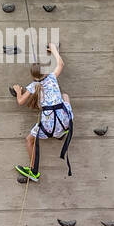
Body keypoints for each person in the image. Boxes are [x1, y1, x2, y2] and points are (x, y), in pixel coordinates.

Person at [12, 42, 74, 181]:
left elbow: (21, 101)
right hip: (65, 123)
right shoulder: (52, 77)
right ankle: (61, 133)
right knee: (65, 96)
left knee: (29, 140)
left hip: (46, 128)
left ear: (33, 76)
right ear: (45, 72)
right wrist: (53, 50)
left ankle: (34, 171)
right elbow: (61, 64)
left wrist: (18, 91)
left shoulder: (33, 85)